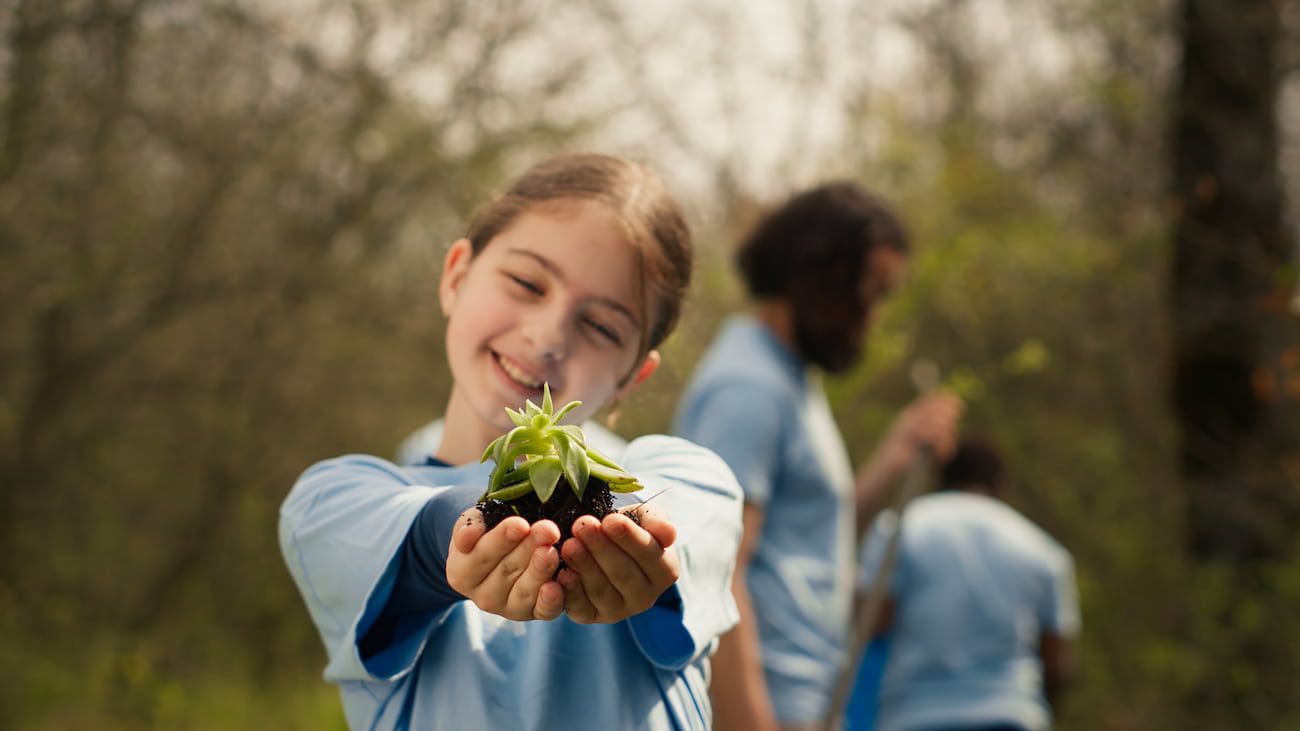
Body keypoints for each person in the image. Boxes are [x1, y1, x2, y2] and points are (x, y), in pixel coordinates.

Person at [280, 153, 745, 731]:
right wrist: (481, 529)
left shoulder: (692, 477)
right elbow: (424, 531)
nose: (548, 336)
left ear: (632, 378)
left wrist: (616, 529)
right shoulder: (332, 502)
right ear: (456, 276)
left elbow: (668, 516)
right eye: (527, 282)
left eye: (601, 327)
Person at [672, 182, 963, 731]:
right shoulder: (749, 388)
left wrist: (895, 457)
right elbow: (716, 570)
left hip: (805, 704)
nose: (873, 316)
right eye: (870, 289)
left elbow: (804, 541)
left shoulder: (786, 379)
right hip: (769, 710)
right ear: (816, 274)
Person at [856, 437, 1081, 731]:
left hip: (917, 713)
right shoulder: (1042, 550)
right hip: (1011, 714)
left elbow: (870, 624)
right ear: (1001, 485)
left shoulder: (900, 529)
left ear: (942, 478)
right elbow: (1057, 665)